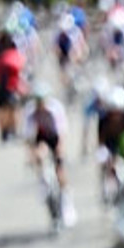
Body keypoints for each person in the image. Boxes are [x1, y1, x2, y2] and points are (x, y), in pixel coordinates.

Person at [26, 88, 77, 227]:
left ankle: (67, 201)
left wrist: (60, 150)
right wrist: (32, 155)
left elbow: (61, 134)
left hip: (55, 136)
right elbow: (29, 137)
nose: (40, 106)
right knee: (39, 155)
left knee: (60, 169)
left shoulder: (55, 109)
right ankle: (43, 181)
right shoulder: (31, 111)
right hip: (41, 137)